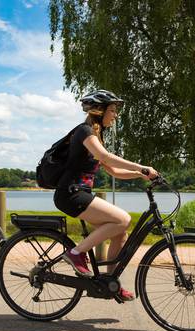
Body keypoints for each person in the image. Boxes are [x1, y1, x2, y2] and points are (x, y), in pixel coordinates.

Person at [54, 90, 159, 301]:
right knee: (122, 219)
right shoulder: (85, 132)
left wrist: (141, 175)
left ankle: (110, 283)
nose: (116, 115)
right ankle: (75, 253)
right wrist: (142, 166)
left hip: (80, 194)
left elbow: (114, 171)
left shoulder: (95, 136)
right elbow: (105, 157)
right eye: (112, 110)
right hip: (70, 194)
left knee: (120, 233)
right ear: (99, 111)